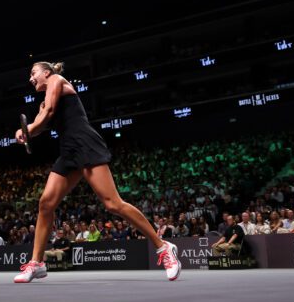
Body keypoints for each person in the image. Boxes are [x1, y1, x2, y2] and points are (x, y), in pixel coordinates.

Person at [13, 61, 181, 283]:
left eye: (33, 73)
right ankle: (37, 263)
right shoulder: (43, 103)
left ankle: (164, 247)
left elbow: (49, 113)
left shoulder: (57, 80)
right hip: (69, 150)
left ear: (47, 73)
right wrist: (25, 132)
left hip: (85, 143)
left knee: (113, 204)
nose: (31, 78)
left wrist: (30, 129)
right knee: (46, 203)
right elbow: (40, 123)